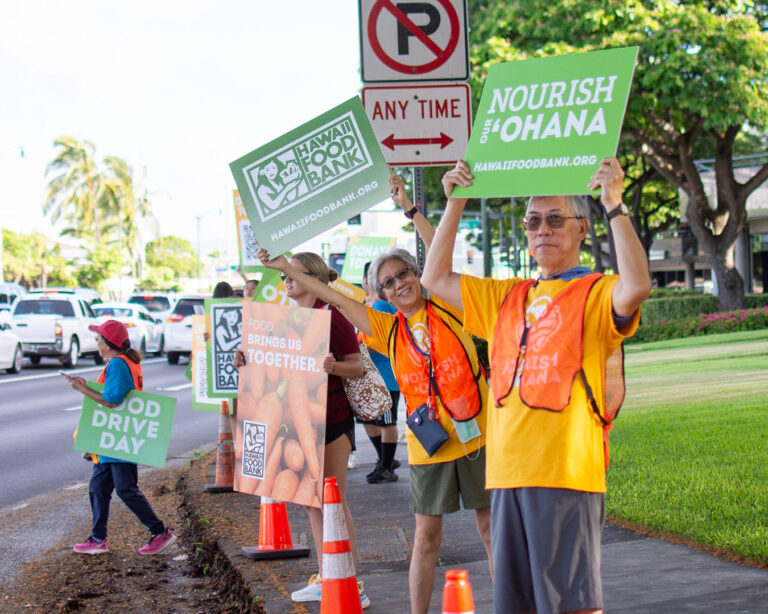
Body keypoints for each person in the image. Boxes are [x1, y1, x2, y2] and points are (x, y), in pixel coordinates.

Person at [420, 158, 651, 614]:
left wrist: (615, 204)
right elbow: (434, 279)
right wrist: (456, 202)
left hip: (564, 472)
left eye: (554, 219)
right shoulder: (508, 296)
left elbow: (638, 285)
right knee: (517, 605)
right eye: (532, 222)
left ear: (582, 228)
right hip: (506, 475)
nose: (541, 230)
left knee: (570, 605)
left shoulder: (596, 291)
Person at [256, 171, 492, 614]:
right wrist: (287, 269)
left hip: (478, 435)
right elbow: (335, 297)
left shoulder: (446, 302)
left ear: (418, 275)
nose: (399, 283)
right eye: (387, 282)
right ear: (379, 293)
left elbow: (441, 256)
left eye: (404, 273)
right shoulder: (385, 327)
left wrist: (410, 209)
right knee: (426, 540)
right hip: (431, 444)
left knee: (490, 530)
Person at [240, 251, 371, 609]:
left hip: (332, 423)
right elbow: (273, 363)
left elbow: (357, 366)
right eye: (284, 276)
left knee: (332, 501)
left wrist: (332, 367)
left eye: (294, 274)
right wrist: (247, 359)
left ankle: (351, 580)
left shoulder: (332, 318)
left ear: (313, 277)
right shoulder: (285, 320)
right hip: (301, 426)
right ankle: (328, 574)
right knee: (313, 505)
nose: (286, 281)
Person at [66, 320, 176, 555]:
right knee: (98, 487)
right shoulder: (125, 361)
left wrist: (82, 389)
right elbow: (112, 393)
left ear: (107, 344)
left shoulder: (117, 363)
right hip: (113, 437)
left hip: (117, 438)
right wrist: (89, 386)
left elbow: (112, 400)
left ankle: (160, 532)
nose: (96, 343)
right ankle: (97, 539)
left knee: (126, 489)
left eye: (98, 339)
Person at [358, 260, 401, 484]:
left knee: (386, 422)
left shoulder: (380, 306)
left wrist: (358, 352)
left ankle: (386, 465)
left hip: (385, 375)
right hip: (374, 374)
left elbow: (379, 340)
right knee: (369, 419)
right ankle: (386, 459)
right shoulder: (371, 304)